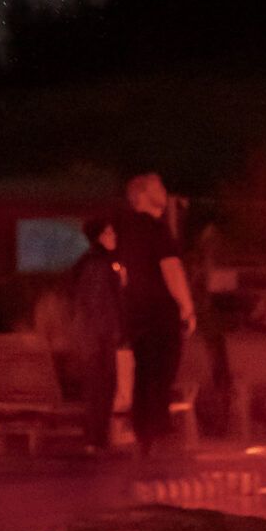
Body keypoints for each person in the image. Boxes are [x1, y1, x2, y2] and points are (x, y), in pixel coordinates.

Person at [111, 172, 197, 452]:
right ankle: (158, 431)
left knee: (144, 373)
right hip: (160, 312)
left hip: (136, 313)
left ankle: (142, 433)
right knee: (162, 371)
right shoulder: (157, 229)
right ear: (142, 195)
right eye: (157, 186)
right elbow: (170, 268)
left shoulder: (127, 231)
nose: (163, 190)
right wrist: (186, 306)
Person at [67, 216, 127, 453]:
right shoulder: (98, 264)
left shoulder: (92, 262)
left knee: (101, 387)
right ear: (100, 236)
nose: (114, 237)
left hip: (95, 336)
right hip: (98, 337)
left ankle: (98, 439)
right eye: (110, 233)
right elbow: (97, 303)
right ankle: (96, 440)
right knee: (100, 387)